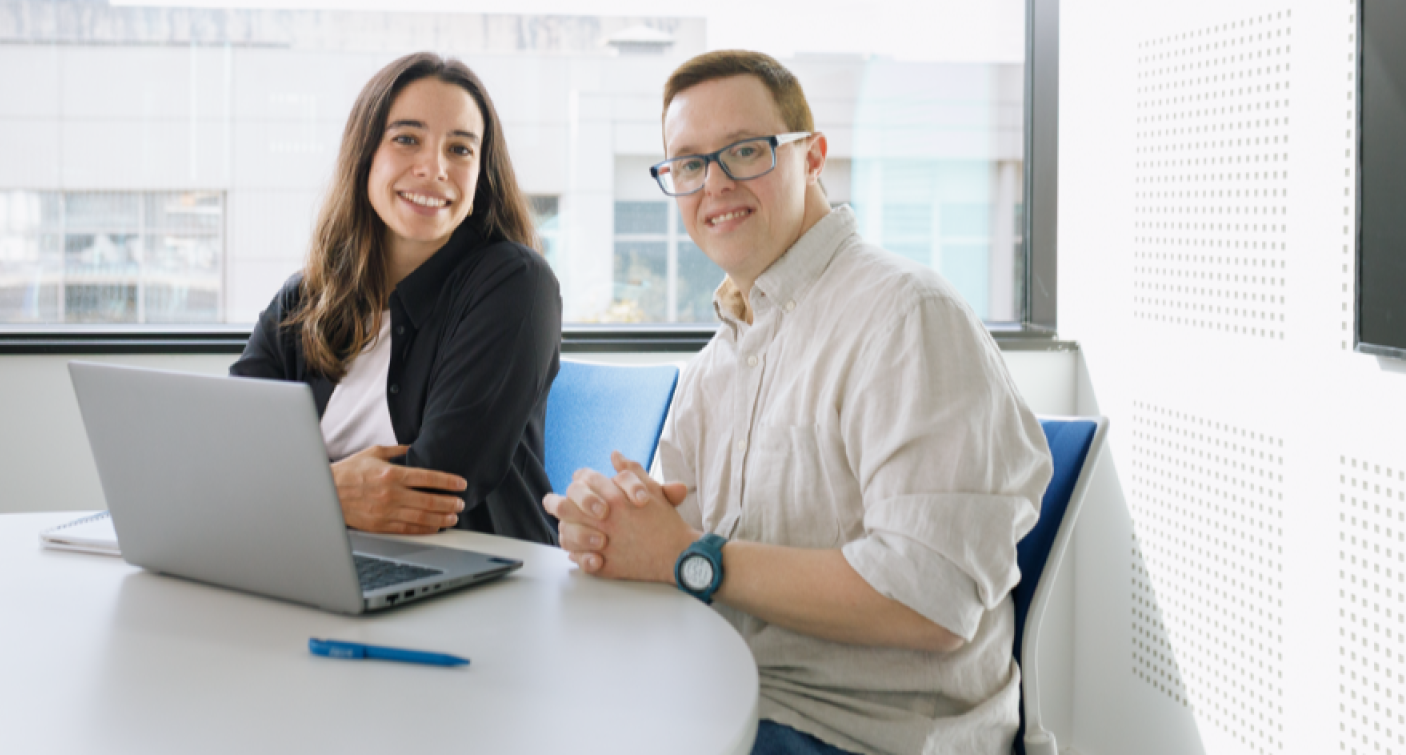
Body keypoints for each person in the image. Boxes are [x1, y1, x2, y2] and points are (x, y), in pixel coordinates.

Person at [544, 50, 1053, 754]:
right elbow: (672, 549)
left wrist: (690, 556)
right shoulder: (715, 363)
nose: (714, 183)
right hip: (730, 693)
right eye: (689, 164)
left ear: (812, 157)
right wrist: (613, 531)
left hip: (865, 733)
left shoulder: (908, 314)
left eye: (746, 151)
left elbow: (930, 599)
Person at [233, 52, 561, 545]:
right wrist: (332, 493)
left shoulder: (516, 285)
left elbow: (438, 485)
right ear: (365, 154)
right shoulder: (305, 297)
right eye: (407, 139)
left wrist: (296, 491)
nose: (434, 169)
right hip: (321, 555)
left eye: (460, 149)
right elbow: (231, 453)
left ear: (481, 174)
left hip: (477, 573)